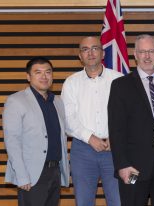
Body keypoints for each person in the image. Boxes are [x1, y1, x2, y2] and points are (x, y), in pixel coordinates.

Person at [108, 34, 154, 206]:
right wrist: (122, 165)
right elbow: (116, 129)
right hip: (133, 167)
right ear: (135, 55)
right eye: (142, 51)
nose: (147, 56)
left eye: (151, 51)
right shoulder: (121, 85)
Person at [61, 36, 122, 205]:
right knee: (84, 201)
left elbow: (128, 116)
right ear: (80, 56)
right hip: (83, 150)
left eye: (95, 48)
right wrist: (90, 138)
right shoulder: (71, 82)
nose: (90, 53)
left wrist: (115, 138)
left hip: (115, 149)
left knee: (118, 201)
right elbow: (68, 118)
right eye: (85, 49)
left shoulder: (119, 79)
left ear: (102, 53)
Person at [3, 57, 70, 206]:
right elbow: (12, 141)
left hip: (55, 172)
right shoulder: (16, 100)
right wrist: (22, 176)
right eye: (38, 72)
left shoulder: (57, 101)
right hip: (32, 174)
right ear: (28, 77)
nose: (44, 76)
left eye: (48, 72)